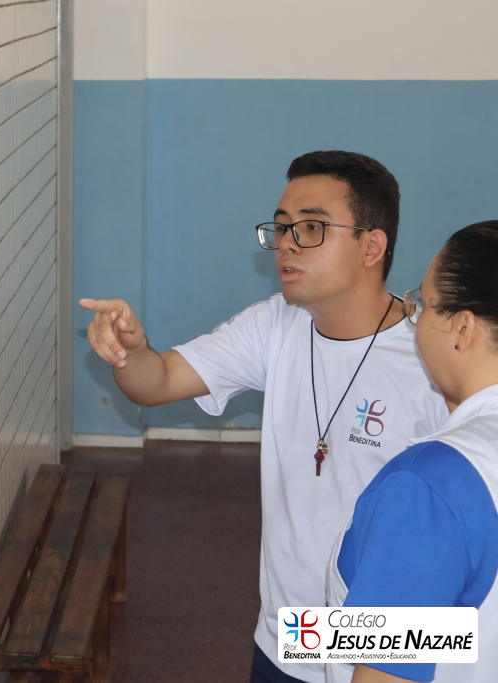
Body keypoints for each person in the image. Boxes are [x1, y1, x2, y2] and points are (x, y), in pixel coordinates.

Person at [81, 151, 449, 683]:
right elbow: (156, 381)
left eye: (312, 228)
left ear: (372, 246)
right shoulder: (275, 324)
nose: (287, 244)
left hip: (386, 652)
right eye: (280, 228)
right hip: (288, 639)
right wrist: (129, 352)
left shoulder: (430, 358)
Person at [326, 222, 498, 683]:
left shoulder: (429, 487)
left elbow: (388, 667)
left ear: (463, 328)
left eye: (423, 302)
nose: (414, 317)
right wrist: (298, 637)